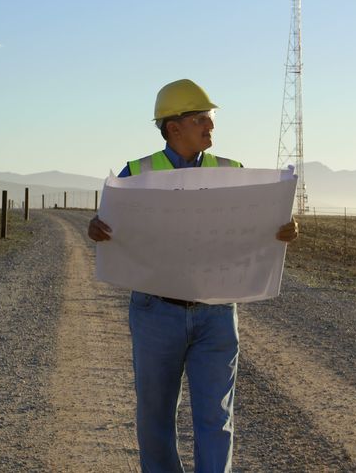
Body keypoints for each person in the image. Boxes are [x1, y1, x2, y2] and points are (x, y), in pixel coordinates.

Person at [88, 78, 298, 473]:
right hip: (155, 313)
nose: (211, 127)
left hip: (216, 314)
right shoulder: (136, 173)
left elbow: (263, 226)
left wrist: (286, 228)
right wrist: (96, 228)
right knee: (155, 421)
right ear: (174, 127)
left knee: (216, 420)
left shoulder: (234, 172)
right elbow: (112, 228)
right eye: (202, 118)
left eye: (211, 118)